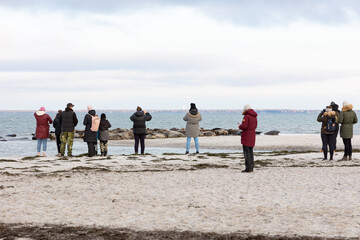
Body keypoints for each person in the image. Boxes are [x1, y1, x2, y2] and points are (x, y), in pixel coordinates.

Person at [238, 104, 258, 172]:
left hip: (246, 136)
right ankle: (251, 167)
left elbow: (244, 127)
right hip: (252, 135)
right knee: (251, 152)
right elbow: (255, 126)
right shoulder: (254, 117)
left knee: (246, 153)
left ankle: (248, 168)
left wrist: (239, 126)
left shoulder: (246, 117)